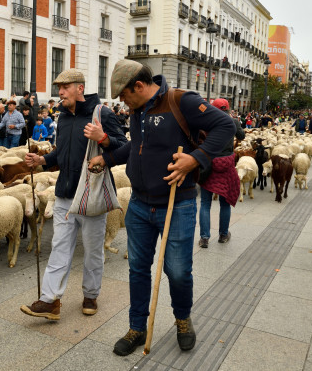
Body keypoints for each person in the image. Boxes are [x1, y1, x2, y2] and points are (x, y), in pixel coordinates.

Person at [88, 60, 235, 355]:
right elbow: (138, 146)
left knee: (178, 271)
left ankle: (182, 319)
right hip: (140, 205)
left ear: (139, 86)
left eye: (123, 95)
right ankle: (137, 327)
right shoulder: (137, 109)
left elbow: (225, 126)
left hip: (177, 203)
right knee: (138, 269)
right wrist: (108, 158)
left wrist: (197, 158)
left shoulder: (182, 101)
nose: (122, 102)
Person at [20, 68, 126, 322]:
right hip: (64, 195)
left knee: (92, 251)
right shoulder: (63, 117)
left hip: (91, 196)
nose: (60, 92)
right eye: (59, 88)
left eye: (65, 87)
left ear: (79, 88)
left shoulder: (103, 113)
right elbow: (61, 153)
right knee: (59, 248)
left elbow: (124, 147)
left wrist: (104, 139)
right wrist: (42, 159)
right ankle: (49, 301)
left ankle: (90, 295)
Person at [198, 98, 244, 248]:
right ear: (228, 109)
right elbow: (242, 136)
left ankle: (204, 238)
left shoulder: (206, 123)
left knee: (205, 203)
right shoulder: (233, 122)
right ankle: (223, 235)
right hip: (226, 165)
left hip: (208, 164)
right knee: (225, 203)